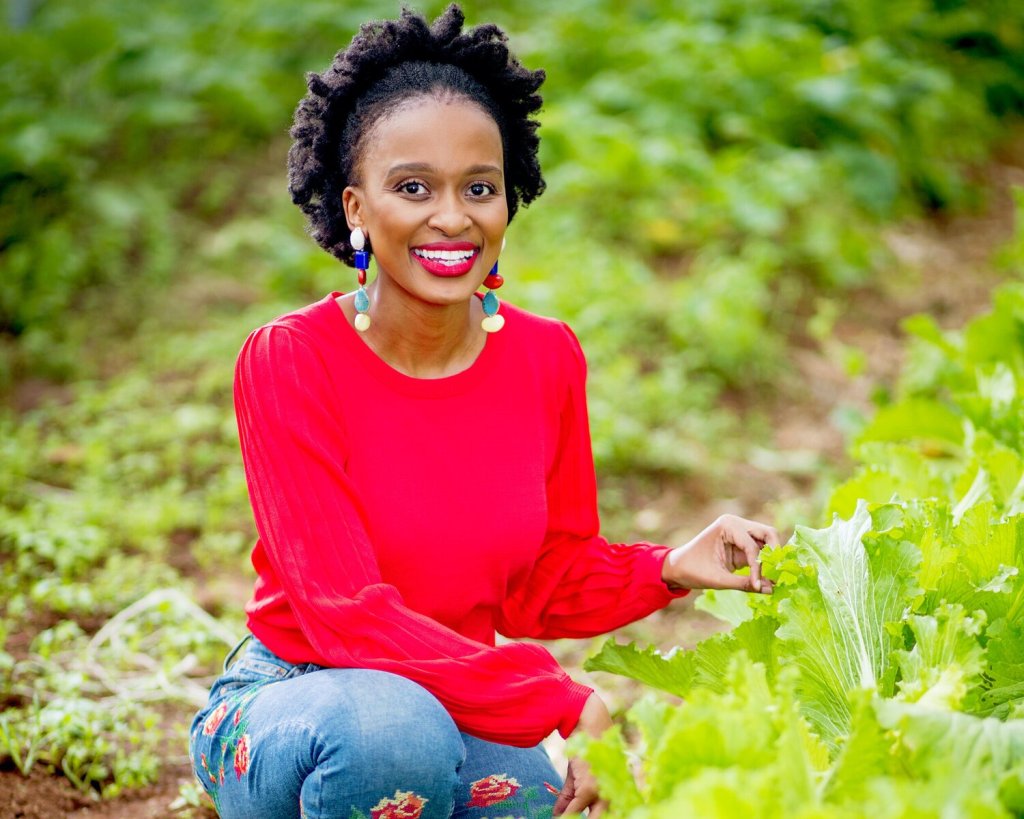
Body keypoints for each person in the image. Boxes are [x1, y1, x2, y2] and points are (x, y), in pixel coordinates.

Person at [188, 6, 778, 818]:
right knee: (394, 740)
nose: (453, 217)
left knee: (538, 797)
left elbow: (543, 580)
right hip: (304, 700)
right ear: (356, 208)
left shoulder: (545, 357)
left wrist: (671, 564)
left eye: (479, 187)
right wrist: (562, 698)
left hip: (457, 701)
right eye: (413, 187)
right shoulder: (292, 359)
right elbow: (344, 615)